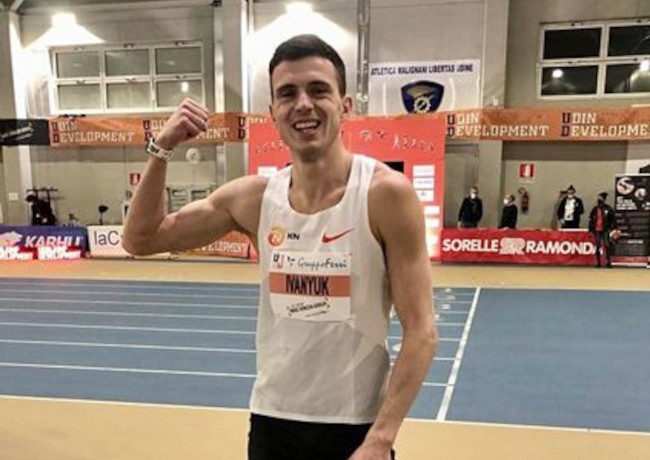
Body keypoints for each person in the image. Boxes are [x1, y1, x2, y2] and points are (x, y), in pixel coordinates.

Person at [123, 34, 438, 460]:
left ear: (345, 106)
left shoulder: (385, 195)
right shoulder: (254, 199)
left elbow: (421, 330)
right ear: (273, 113)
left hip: (357, 429)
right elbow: (140, 239)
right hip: (273, 423)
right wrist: (162, 147)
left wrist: (381, 439)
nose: (303, 104)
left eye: (318, 90)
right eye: (288, 94)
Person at [588, 192, 617, 268]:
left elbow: (612, 219)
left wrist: (613, 228)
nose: (599, 199)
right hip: (597, 230)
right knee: (598, 246)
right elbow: (591, 220)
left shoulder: (608, 209)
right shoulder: (595, 209)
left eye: (600, 198)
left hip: (605, 230)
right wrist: (590, 230)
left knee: (607, 245)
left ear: (604, 199)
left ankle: (608, 262)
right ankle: (598, 262)